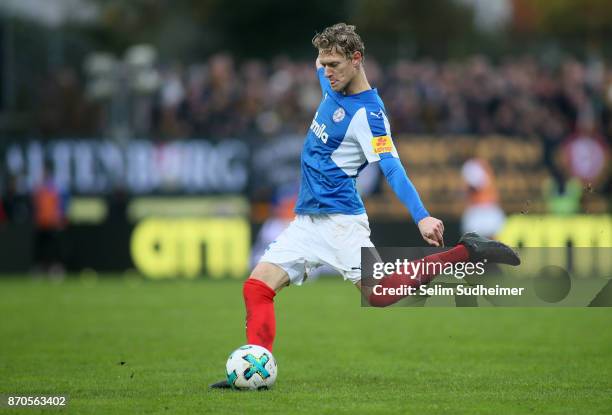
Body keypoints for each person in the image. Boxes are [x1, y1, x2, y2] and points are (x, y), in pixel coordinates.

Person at [211, 23, 519, 388]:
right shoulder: (332, 83)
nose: (326, 71)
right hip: (307, 221)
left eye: (334, 64)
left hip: (340, 222)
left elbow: (392, 168)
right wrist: (329, 42)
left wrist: (421, 217)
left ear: (357, 60)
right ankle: (255, 371)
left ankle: (466, 251)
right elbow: (321, 61)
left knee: (381, 295)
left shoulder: (370, 116)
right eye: (323, 63)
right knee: (256, 287)